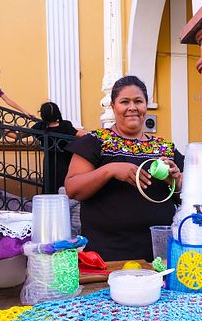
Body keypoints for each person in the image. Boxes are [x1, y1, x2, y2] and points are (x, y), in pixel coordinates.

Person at [65, 76, 183, 261]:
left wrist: (175, 182)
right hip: (108, 255)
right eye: (124, 102)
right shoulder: (94, 142)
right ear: (113, 106)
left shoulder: (165, 148)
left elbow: (184, 195)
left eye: (138, 101)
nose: (132, 107)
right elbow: (73, 189)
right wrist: (109, 170)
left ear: (146, 106)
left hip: (159, 254)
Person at [31, 101, 86, 193]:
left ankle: (50, 203)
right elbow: (83, 134)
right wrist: (103, 135)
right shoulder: (65, 125)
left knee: (50, 185)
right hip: (65, 160)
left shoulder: (40, 127)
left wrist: (1, 129)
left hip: (49, 161)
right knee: (63, 184)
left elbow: (18, 136)